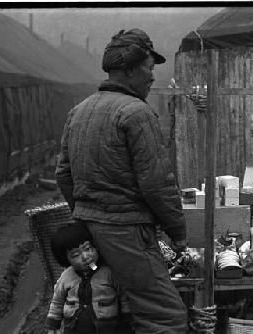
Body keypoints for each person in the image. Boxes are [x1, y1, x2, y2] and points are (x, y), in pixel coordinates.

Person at [55, 28, 188, 333]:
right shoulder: (136, 113)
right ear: (129, 70)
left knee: (112, 311)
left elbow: (63, 175)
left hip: (89, 232)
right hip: (126, 233)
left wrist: (87, 214)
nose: (152, 77)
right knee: (165, 317)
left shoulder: (79, 111)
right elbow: (157, 183)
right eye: (148, 69)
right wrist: (178, 232)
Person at [46, 223, 132, 334]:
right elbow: (57, 302)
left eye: (87, 248)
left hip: (108, 328)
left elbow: (123, 295)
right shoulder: (66, 277)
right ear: (66, 259)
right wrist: (52, 327)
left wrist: (128, 317)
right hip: (73, 329)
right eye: (76, 255)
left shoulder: (108, 273)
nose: (85, 256)